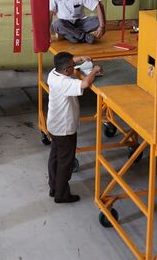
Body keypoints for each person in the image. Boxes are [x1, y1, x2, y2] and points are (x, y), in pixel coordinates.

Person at [46, 52, 103, 203]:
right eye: (73, 66)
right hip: (64, 129)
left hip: (54, 125)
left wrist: (80, 58)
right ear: (66, 70)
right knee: (65, 162)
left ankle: (54, 187)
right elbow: (85, 84)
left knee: (55, 157)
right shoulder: (64, 83)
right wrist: (94, 70)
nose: (74, 67)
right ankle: (62, 195)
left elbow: (68, 63)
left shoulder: (53, 73)